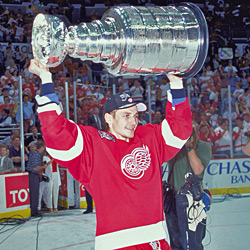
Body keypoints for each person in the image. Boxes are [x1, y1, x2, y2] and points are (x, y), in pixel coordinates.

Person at [29, 58, 192, 250]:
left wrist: (176, 82)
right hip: (118, 244)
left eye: (135, 115)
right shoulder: (93, 143)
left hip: (157, 241)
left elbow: (179, 129)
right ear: (108, 118)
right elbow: (57, 133)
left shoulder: (148, 137)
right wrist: (46, 78)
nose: (133, 122)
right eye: (126, 115)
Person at [165, 122, 211, 250]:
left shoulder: (204, 146)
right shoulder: (173, 148)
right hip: (173, 198)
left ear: (197, 133)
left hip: (193, 199)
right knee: (176, 241)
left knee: (195, 241)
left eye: (191, 132)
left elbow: (198, 170)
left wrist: (190, 148)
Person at [26, 140, 46, 217]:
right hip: (33, 175)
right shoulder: (36, 154)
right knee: (34, 193)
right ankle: (33, 211)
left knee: (35, 193)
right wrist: (43, 167)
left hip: (35, 175)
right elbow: (35, 168)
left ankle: (35, 210)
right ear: (41, 147)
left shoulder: (36, 154)